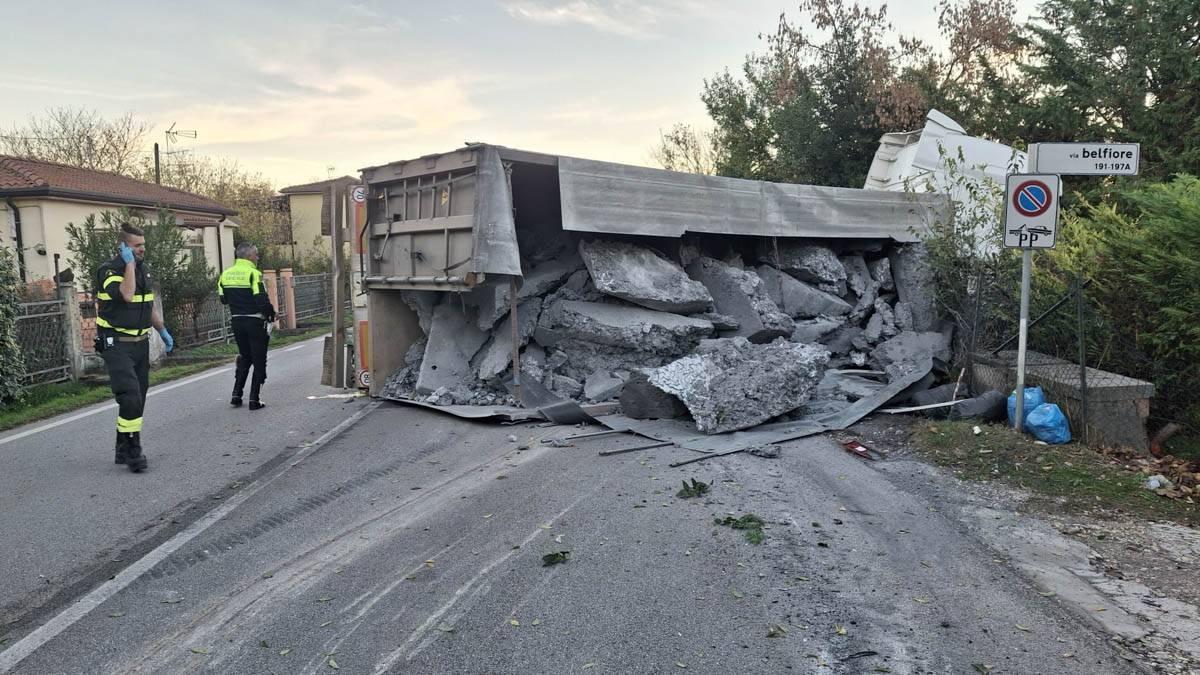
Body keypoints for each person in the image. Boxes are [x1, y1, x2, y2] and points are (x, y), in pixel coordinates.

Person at [95, 222, 174, 473]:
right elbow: (127, 295)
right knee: (129, 395)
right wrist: (128, 264)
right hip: (115, 343)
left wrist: (161, 330)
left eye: (143, 245)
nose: (142, 250)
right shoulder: (109, 271)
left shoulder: (143, 270)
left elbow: (145, 304)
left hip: (140, 343)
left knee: (138, 397)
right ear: (123, 247)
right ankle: (133, 451)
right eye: (137, 246)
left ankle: (121, 446)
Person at [218, 243, 276, 410]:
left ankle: (236, 395)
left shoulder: (225, 274)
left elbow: (223, 299)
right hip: (255, 322)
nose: (257, 258)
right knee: (259, 359)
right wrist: (271, 314)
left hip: (237, 322)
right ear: (249, 256)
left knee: (245, 356)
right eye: (256, 255)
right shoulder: (254, 274)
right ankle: (254, 399)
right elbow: (261, 300)